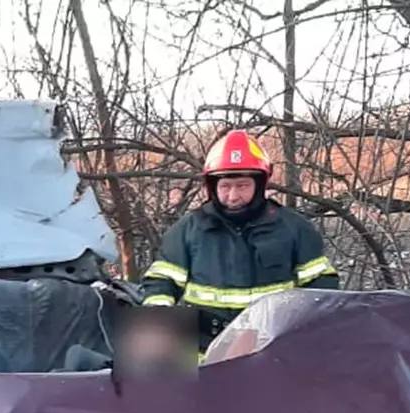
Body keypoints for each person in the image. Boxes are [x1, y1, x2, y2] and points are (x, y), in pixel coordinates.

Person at [139, 129, 340, 352]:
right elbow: (160, 281)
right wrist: (160, 320)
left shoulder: (294, 229)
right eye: (225, 186)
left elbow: (322, 290)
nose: (233, 196)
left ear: (260, 184)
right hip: (203, 356)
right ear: (212, 186)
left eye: (242, 185)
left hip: (271, 349)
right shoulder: (188, 230)